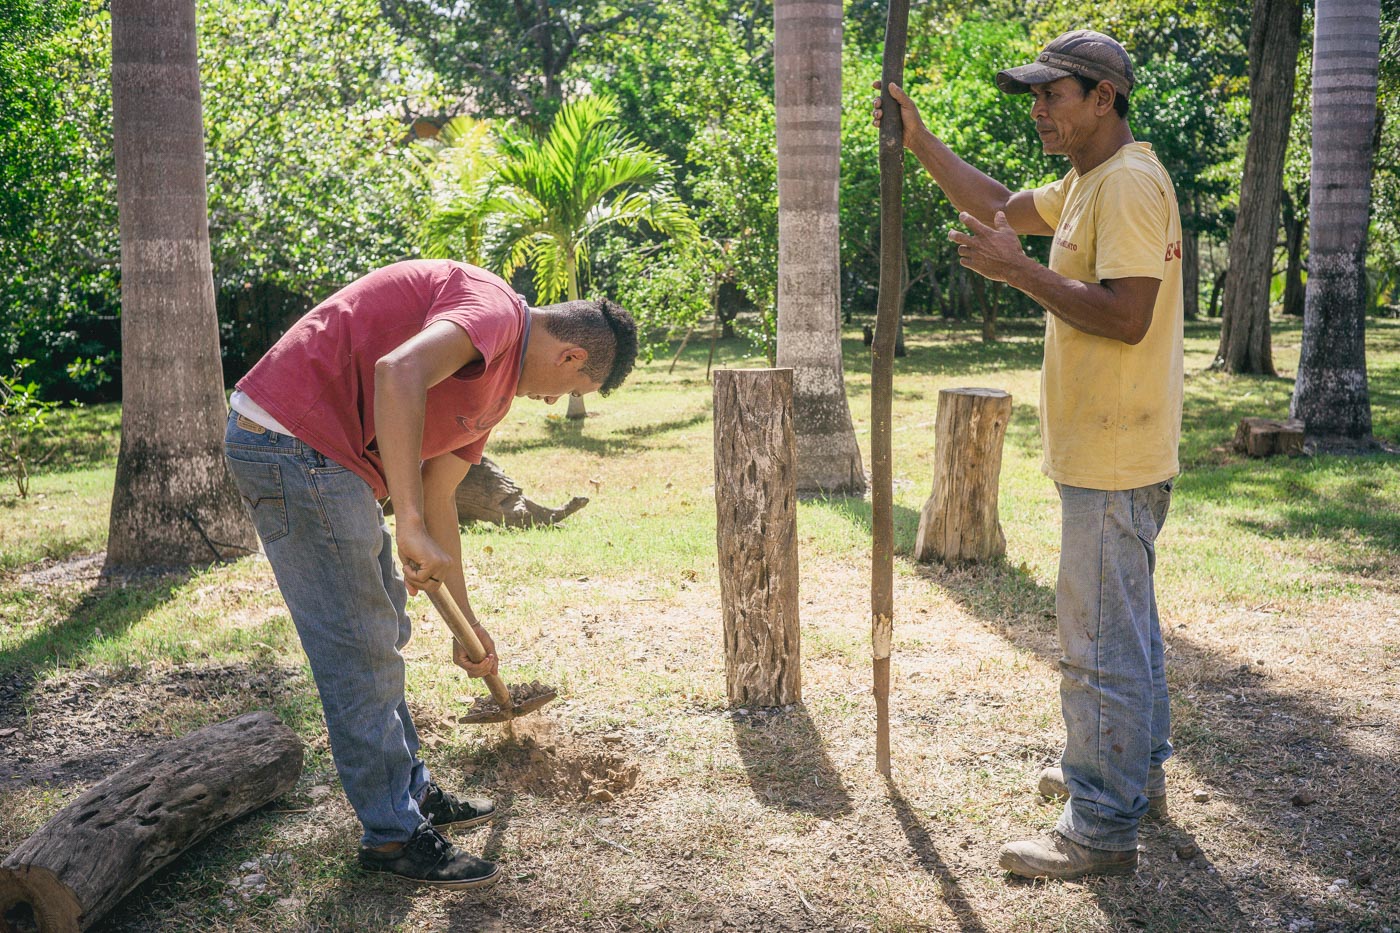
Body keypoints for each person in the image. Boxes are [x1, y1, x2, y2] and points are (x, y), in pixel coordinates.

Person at [874, 29, 1183, 880]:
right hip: (1115, 450)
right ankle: (1134, 775)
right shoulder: (1088, 181)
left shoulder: (1125, 185)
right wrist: (921, 139)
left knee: (1098, 644)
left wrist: (1019, 275)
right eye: (1036, 95)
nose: (1040, 109)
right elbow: (1002, 204)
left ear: (1105, 98)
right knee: (1129, 631)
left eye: (1055, 93)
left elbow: (1127, 316)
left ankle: (1101, 824)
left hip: (1115, 457)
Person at [223, 259, 638, 889]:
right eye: (570, 388)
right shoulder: (493, 312)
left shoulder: (494, 390)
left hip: (328, 459)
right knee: (360, 642)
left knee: (382, 624)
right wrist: (406, 520)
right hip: (291, 437)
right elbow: (398, 370)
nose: (554, 401)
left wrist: (466, 626)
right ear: (571, 356)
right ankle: (392, 837)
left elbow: (440, 496)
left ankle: (410, 793)